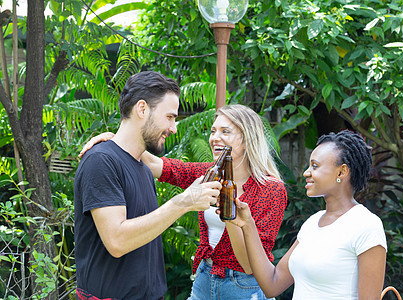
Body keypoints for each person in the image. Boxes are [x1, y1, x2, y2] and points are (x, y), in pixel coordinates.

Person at [81, 104, 288, 300]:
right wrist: (117, 142)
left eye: (225, 132)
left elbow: (249, 265)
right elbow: (158, 165)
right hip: (205, 277)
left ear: (246, 140)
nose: (215, 138)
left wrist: (229, 212)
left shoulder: (270, 189)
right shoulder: (208, 174)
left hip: (243, 286)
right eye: (213, 131)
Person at [74, 71, 222, 300]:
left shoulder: (142, 166)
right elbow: (117, 241)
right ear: (142, 109)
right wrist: (182, 203)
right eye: (170, 117)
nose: (174, 128)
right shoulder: (100, 161)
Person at [227, 130, 387, 299]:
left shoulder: (366, 225)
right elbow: (272, 284)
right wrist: (247, 225)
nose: (306, 172)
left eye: (315, 166)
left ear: (341, 172)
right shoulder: (312, 223)